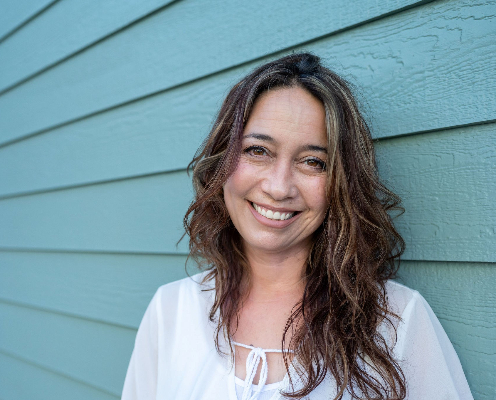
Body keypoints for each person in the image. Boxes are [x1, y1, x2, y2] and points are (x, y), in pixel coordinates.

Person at [121, 53, 473, 400]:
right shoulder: (170, 311)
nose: (278, 187)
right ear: (221, 159)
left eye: (312, 162)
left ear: (341, 182)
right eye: (258, 150)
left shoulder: (396, 321)